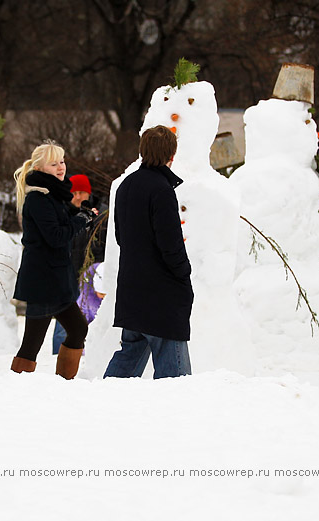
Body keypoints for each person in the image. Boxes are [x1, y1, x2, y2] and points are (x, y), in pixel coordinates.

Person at [104, 125, 193, 379]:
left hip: (132, 289)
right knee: (175, 378)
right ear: (171, 155)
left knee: (129, 355)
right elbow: (170, 245)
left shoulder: (125, 187)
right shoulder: (162, 190)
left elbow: (121, 237)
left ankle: (103, 403)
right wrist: (184, 273)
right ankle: (173, 415)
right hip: (161, 296)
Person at [11, 141, 96, 379]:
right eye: (53, 163)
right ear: (39, 168)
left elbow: (64, 222)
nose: (61, 167)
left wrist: (83, 214)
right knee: (31, 345)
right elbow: (56, 236)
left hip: (56, 281)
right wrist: (80, 220)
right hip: (43, 281)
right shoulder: (38, 198)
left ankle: (63, 382)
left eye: (62, 161)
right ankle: (16, 386)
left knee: (78, 330)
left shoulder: (54, 195)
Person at [51, 173, 104, 354]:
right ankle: (58, 361)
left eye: (82, 192)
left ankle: (89, 362)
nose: (78, 197)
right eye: (74, 193)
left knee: (94, 325)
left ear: (89, 194)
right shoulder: (61, 215)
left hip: (92, 282)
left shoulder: (101, 216)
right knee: (62, 328)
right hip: (67, 280)